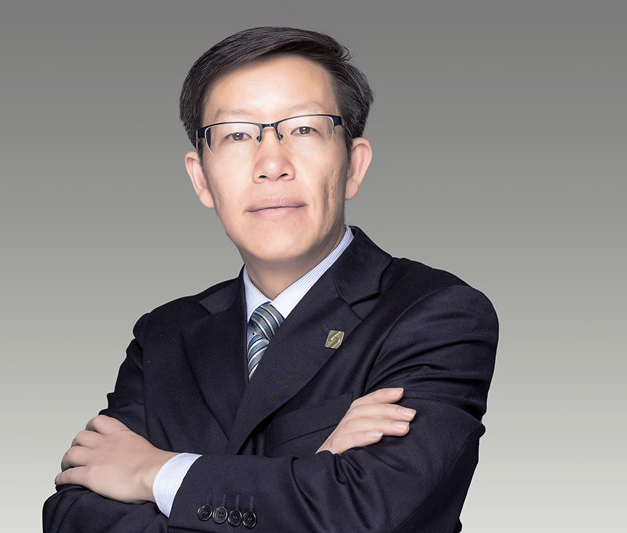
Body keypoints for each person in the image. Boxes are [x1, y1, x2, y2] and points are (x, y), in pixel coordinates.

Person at [43, 26, 497, 532]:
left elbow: (370, 514)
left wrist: (155, 472)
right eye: (237, 135)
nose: (272, 164)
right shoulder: (165, 335)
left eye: (303, 129)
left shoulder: (436, 314)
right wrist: (311, 479)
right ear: (201, 179)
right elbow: (72, 517)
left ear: (353, 165)